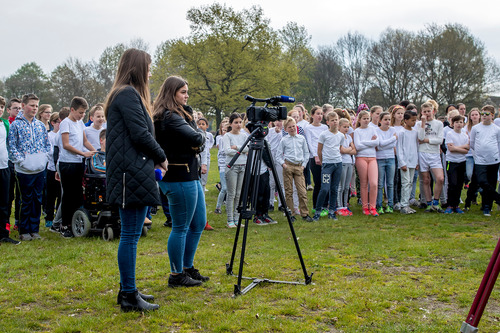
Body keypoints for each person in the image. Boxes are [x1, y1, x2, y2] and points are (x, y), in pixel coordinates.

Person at [105, 48, 166, 312]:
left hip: (132, 172)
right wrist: (162, 157)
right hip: (131, 175)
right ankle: (129, 295)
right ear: (138, 68)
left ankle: (127, 290)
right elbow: (141, 134)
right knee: (130, 236)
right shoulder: (127, 94)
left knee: (131, 235)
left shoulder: (125, 94)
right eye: (149, 67)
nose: (151, 73)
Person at [153, 75, 208, 288]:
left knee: (198, 223)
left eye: (187, 92)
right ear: (171, 93)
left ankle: (187, 267)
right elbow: (197, 138)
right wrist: (199, 135)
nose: (187, 96)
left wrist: (197, 134)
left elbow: (196, 140)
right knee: (181, 227)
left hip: (189, 174)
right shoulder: (169, 117)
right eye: (183, 92)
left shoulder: (179, 114)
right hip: (178, 177)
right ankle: (176, 275)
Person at [8, 93, 51, 241]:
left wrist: (44, 159)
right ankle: (24, 230)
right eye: (32, 105)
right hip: (24, 170)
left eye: (36, 106)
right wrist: (21, 161)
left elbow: (47, 145)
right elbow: (12, 146)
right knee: (25, 200)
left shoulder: (40, 125)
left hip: (39, 168)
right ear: (24, 106)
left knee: (37, 199)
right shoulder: (16, 124)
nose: (34, 108)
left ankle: (34, 229)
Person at [57, 97, 96, 238]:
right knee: (68, 195)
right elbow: (66, 144)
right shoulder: (65, 123)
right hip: (67, 163)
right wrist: (83, 153)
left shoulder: (80, 123)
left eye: (84, 113)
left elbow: (85, 141)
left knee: (78, 194)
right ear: (72, 110)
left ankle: (75, 223)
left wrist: (96, 152)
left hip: (79, 162)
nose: (82, 115)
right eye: (80, 112)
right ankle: (64, 225)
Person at [276, 117, 313, 222]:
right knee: (289, 191)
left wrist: (303, 165)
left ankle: (304, 213)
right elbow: (278, 155)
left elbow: (306, 152)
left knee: (302, 191)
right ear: (286, 129)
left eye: (293, 126)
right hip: (288, 165)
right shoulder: (284, 140)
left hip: (299, 166)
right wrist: (283, 164)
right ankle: (291, 213)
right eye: (290, 127)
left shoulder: (301, 138)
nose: (292, 128)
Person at [312, 112, 344, 221]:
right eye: (332, 120)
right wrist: (322, 162)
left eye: (336, 120)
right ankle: (317, 211)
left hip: (338, 164)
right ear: (328, 122)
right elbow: (319, 150)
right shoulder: (324, 135)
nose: (335, 122)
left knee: (334, 189)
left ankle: (332, 211)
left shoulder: (341, 135)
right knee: (325, 188)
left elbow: (339, 148)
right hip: (327, 165)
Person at [469, 105, 500, 216]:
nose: (484, 116)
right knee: (482, 181)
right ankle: (497, 197)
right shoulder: (476, 128)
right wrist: (478, 154)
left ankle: (487, 206)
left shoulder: (496, 129)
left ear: (492, 116)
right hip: (480, 160)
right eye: (482, 114)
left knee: (491, 182)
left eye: (486, 114)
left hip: (494, 160)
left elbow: (498, 143)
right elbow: (472, 144)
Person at [417, 102, 445, 213]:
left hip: (434, 154)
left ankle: (436, 202)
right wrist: (423, 123)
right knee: (426, 179)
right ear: (421, 112)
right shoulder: (419, 123)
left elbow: (439, 140)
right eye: (425, 112)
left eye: (429, 111)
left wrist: (427, 140)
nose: (427, 113)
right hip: (422, 153)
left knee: (440, 178)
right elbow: (420, 137)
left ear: (433, 111)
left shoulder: (438, 124)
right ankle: (429, 203)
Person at [223, 113, 248, 228]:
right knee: (231, 193)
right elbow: (227, 151)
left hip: (243, 165)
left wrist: (237, 147)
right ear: (231, 124)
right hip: (232, 167)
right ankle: (230, 220)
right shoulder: (227, 136)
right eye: (236, 122)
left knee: (239, 194)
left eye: (240, 122)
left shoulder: (244, 136)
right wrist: (241, 150)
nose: (238, 125)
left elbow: (248, 148)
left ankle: (237, 219)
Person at [354, 110, 379, 216]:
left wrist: (364, 142)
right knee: (364, 183)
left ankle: (373, 207)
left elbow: (377, 142)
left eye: (367, 118)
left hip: (372, 157)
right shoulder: (357, 131)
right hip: (361, 158)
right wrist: (370, 142)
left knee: (373, 183)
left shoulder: (373, 129)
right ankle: (365, 206)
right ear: (359, 120)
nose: (366, 120)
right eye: (364, 118)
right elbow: (358, 146)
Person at [0, 96, 18, 244]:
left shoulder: (5, 124)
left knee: (5, 202)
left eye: (1, 107)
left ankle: (4, 233)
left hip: (4, 168)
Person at [304, 106, 328, 212]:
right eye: (317, 114)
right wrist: (316, 156)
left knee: (326, 181)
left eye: (321, 114)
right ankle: (315, 206)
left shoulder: (324, 127)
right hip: (314, 158)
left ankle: (325, 204)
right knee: (318, 182)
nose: (320, 116)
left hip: (325, 156)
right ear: (312, 115)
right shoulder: (308, 128)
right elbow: (310, 143)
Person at [444, 115, 469, 214]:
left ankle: (456, 205)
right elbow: (450, 149)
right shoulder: (450, 134)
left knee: (459, 184)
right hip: (451, 162)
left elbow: (466, 150)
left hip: (462, 162)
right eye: (457, 122)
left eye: (461, 122)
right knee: (452, 183)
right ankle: (450, 205)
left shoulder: (465, 135)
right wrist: (461, 148)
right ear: (453, 123)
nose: (459, 124)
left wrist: (456, 147)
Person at [397, 111, 419, 214]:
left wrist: (417, 161)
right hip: (405, 162)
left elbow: (416, 147)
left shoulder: (415, 132)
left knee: (410, 183)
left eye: (415, 120)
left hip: (413, 161)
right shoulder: (401, 132)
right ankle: (404, 205)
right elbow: (399, 148)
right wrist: (402, 163)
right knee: (405, 183)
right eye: (412, 120)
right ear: (405, 120)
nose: (414, 122)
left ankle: (407, 204)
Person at [375, 111, 397, 214]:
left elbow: (392, 145)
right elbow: (380, 145)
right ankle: (379, 205)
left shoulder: (393, 130)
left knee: (390, 183)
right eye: (385, 120)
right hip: (380, 159)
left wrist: (386, 143)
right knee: (380, 184)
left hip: (391, 158)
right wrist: (392, 139)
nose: (387, 122)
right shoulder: (376, 131)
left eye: (389, 119)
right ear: (380, 121)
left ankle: (390, 205)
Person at [6, 98, 22, 231]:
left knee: (20, 195)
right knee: (8, 195)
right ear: (8, 110)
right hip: (8, 163)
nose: (18, 111)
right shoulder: (7, 124)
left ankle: (18, 221)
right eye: (15, 108)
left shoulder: (22, 124)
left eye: (19, 108)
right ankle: (6, 223)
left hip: (21, 163)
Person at [197, 117, 214, 230]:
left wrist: (204, 164)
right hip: (194, 163)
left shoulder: (206, 136)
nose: (201, 125)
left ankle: (202, 221)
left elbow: (204, 150)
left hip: (201, 162)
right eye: (199, 123)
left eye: (204, 124)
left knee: (201, 187)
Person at [45, 112, 61, 228]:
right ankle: (49, 218)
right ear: (53, 123)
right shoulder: (49, 136)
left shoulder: (63, 134)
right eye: (58, 122)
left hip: (61, 169)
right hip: (51, 169)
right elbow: (49, 152)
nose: (60, 124)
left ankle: (58, 217)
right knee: (51, 196)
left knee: (61, 195)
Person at [337, 118, 356, 217]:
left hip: (350, 162)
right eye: (344, 127)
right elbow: (342, 150)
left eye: (348, 127)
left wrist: (347, 149)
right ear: (339, 127)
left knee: (346, 186)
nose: (346, 129)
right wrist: (349, 149)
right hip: (342, 162)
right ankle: (339, 206)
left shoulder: (349, 137)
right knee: (340, 186)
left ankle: (345, 205)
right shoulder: (338, 136)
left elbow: (354, 150)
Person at [214, 121, 228, 215]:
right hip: (223, 166)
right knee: (224, 188)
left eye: (227, 130)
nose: (225, 132)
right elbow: (222, 152)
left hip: (231, 166)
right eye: (224, 130)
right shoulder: (221, 139)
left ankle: (229, 207)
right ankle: (218, 207)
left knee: (231, 188)